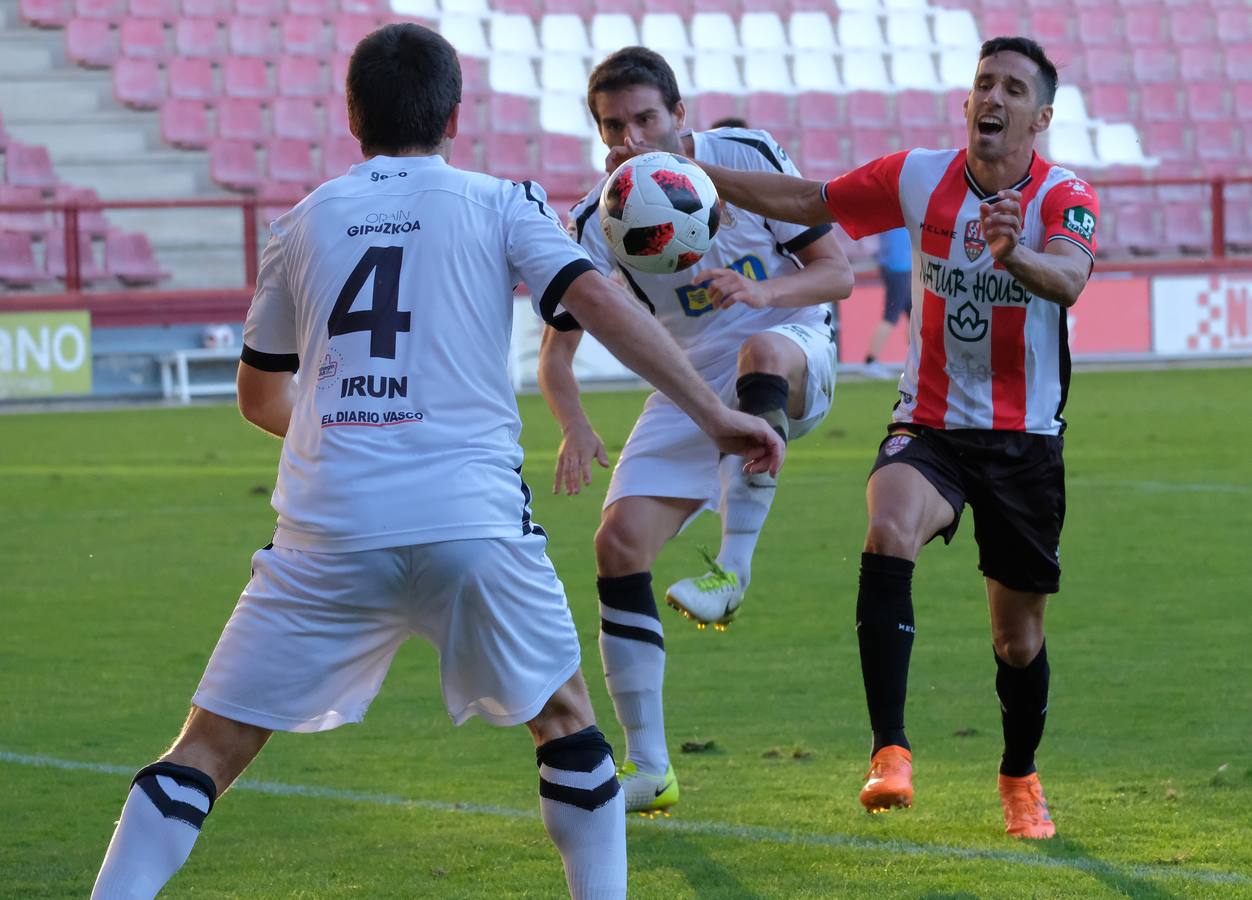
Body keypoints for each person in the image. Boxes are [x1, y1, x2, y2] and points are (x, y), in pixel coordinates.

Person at [89, 25, 783, 900]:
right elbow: (596, 302)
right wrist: (714, 412)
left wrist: (350, 431)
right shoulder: (503, 202)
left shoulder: (301, 222)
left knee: (205, 750)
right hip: (473, 521)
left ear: (352, 120)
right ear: (454, 115)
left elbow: (260, 395)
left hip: (328, 529)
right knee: (567, 724)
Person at [614, 36, 1099, 839]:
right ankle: (891, 752)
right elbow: (811, 202)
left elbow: (1071, 279)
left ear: (1039, 116)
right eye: (985, 83)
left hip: (1024, 442)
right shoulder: (917, 175)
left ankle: (1018, 774)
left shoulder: (1063, 197)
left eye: (1014, 89)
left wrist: (1018, 257)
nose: (994, 98)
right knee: (887, 526)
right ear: (967, 100)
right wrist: (695, 174)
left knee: (1017, 642)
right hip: (930, 423)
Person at [538, 46, 853, 816]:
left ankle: (732, 573)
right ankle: (649, 766)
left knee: (760, 347)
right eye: (615, 126)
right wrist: (574, 423)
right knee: (616, 546)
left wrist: (760, 289)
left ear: (681, 115)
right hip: (686, 384)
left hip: (790, 339)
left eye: (647, 118)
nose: (633, 138)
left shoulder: (741, 155)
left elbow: (837, 271)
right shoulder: (596, 217)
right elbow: (556, 354)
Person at [864, 226, 912, 379]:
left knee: (914, 315)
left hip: (898, 264)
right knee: (891, 316)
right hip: (899, 265)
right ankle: (870, 362)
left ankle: (917, 361)